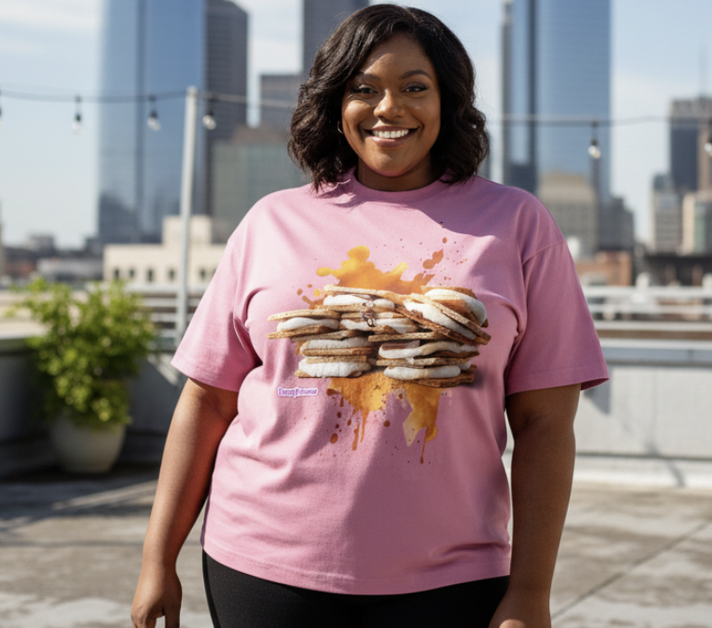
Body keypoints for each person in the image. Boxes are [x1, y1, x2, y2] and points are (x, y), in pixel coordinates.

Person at [131, 5, 608, 628]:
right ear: (336, 103)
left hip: (453, 579)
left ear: (449, 101)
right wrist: (155, 559)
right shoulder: (269, 223)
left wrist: (531, 592)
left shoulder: (518, 225)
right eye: (364, 88)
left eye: (415, 87)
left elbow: (546, 425)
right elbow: (207, 401)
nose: (390, 108)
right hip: (261, 568)